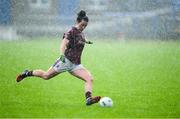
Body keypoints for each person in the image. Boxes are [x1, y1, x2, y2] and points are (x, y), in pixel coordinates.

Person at [16, 10, 101, 106]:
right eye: (82, 25)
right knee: (46, 76)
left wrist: (87, 41)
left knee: (89, 78)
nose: (83, 27)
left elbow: (80, 39)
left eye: (85, 26)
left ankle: (88, 99)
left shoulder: (81, 33)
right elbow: (63, 43)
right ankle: (27, 73)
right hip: (65, 60)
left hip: (75, 64)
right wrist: (61, 55)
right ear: (78, 22)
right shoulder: (71, 31)